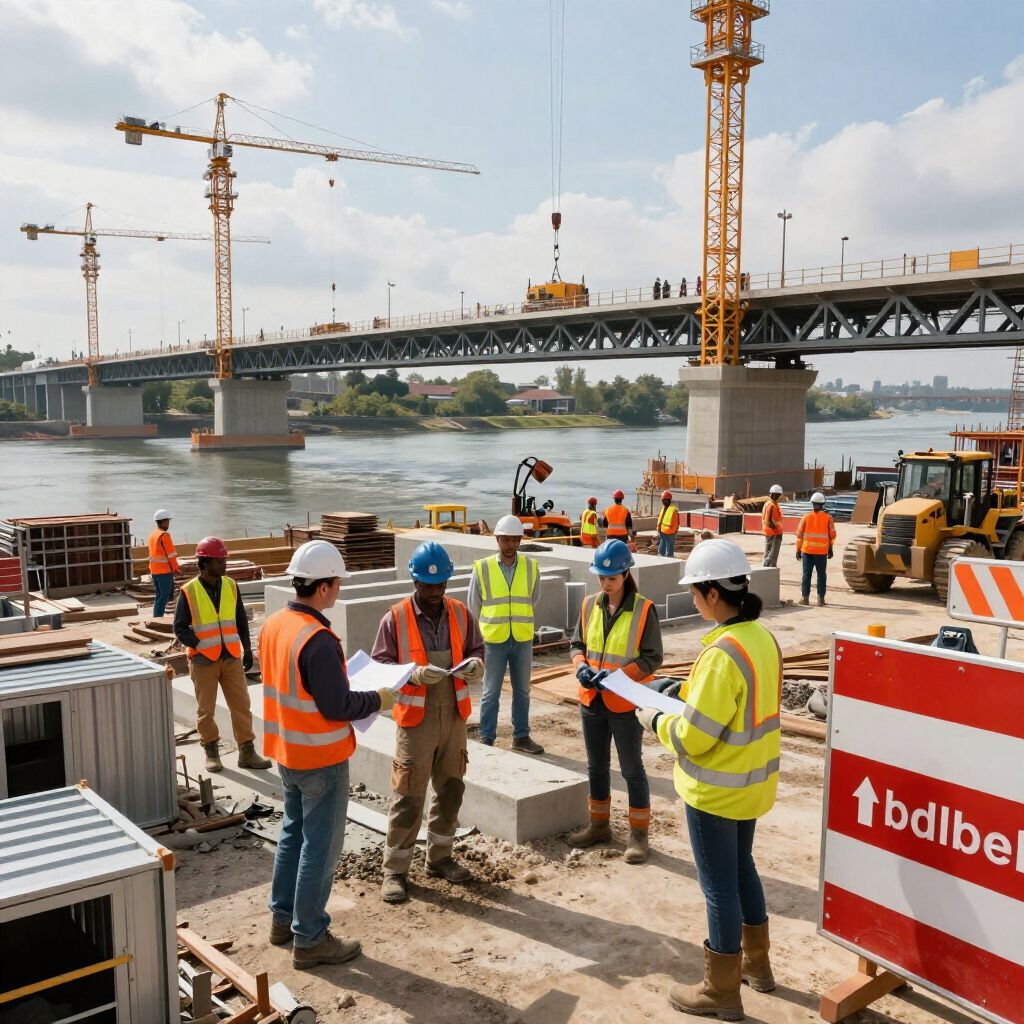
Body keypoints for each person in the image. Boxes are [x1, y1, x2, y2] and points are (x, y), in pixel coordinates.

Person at [636, 538, 781, 1018]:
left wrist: (652, 717)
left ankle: (721, 991)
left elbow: (696, 737)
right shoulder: (762, 639)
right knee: (743, 871)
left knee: (718, 887)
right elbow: (737, 709)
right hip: (751, 786)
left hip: (714, 790)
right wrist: (685, 692)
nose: (694, 601)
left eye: (696, 593)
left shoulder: (722, 653)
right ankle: (757, 967)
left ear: (713, 594)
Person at [261, 540, 397, 969]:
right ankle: (311, 938)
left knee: (293, 834)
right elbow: (337, 706)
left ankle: (282, 921)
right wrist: (380, 698)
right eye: (337, 583)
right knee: (319, 848)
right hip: (321, 757)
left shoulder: (275, 624)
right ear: (322, 588)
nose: (338, 590)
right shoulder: (318, 641)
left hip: (287, 751)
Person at [373, 541, 486, 904]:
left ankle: (440, 858)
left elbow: (476, 649)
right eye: (428, 585)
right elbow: (380, 668)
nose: (436, 592)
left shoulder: (460, 613)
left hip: (453, 715)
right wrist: (413, 675)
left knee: (451, 789)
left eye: (441, 585)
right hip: (415, 721)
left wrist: (476, 666)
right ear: (415, 581)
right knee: (408, 796)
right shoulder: (395, 618)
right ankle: (395, 870)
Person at [569, 539, 663, 864]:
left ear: (625, 574)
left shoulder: (644, 609)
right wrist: (581, 666)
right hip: (591, 700)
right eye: (601, 578)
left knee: (631, 769)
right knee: (596, 766)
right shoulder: (588, 605)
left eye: (612, 578)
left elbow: (652, 658)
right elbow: (577, 642)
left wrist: (619, 677)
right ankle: (599, 825)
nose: (606, 584)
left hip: (624, 703)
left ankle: (639, 834)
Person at [173, 536, 271, 773]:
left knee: (241, 706)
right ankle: (211, 752)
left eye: (224, 560)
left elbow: (240, 620)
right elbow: (179, 628)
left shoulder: (230, 585)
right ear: (204, 563)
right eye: (219, 561)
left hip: (230, 657)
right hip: (202, 660)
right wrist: (200, 644)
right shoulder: (189, 591)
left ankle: (247, 752)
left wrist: (247, 649)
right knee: (206, 710)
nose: (224, 564)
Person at [469, 515, 544, 755]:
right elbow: (474, 604)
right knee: (491, 692)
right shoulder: (483, 568)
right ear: (497, 540)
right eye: (505, 540)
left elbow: (534, 598)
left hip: (521, 637)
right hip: (493, 639)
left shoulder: (531, 567)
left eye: (514, 539)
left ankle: (520, 736)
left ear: (520, 541)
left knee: (523, 691)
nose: (510, 544)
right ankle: (487, 738)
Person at [796, 491, 836, 606]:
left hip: (807, 551)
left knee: (806, 575)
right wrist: (830, 549)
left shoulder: (806, 517)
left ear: (812, 504)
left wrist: (798, 550)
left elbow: (799, 536)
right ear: (823, 504)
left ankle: (805, 599)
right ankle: (820, 600)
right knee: (821, 575)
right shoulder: (828, 518)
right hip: (821, 553)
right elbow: (832, 536)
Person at [148, 508, 179, 618]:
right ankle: (158, 618)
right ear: (164, 521)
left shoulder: (153, 535)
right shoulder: (164, 536)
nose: (168, 523)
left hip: (154, 571)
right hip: (164, 571)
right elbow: (171, 555)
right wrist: (176, 568)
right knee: (164, 596)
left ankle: (156, 617)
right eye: (168, 521)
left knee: (159, 595)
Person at [761, 485, 784, 568]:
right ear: (774, 494)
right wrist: (777, 532)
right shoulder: (771, 505)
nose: (778, 497)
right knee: (771, 553)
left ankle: (769, 568)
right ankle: (768, 568)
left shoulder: (769, 504)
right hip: (773, 532)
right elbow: (770, 521)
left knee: (769, 552)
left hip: (770, 531)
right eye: (778, 495)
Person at [656, 490, 680, 558]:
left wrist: (675, 530)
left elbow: (677, 521)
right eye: (664, 500)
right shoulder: (665, 509)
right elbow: (660, 519)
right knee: (665, 543)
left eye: (666, 500)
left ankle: (666, 555)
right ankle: (665, 555)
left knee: (666, 544)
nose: (665, 502)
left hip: (668, 530)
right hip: (665, 530)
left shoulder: (672, 510)